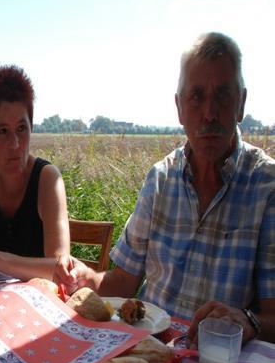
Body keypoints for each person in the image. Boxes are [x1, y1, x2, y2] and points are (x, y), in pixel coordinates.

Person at [57, 32, 274, 346]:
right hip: (149, 353)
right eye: (196, 96)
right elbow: (123, 281)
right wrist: (83, 277)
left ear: (240, 104)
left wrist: (248, 320)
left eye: (223, 96)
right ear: (179, 108)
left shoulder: (267, 186)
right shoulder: (159, 179)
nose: (210, 113)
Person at [0, 65, 70, 281]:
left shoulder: (48, 180)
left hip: (39, 309)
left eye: (21, 129)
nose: (15, 144)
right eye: (2, 132)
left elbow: (61, 268)